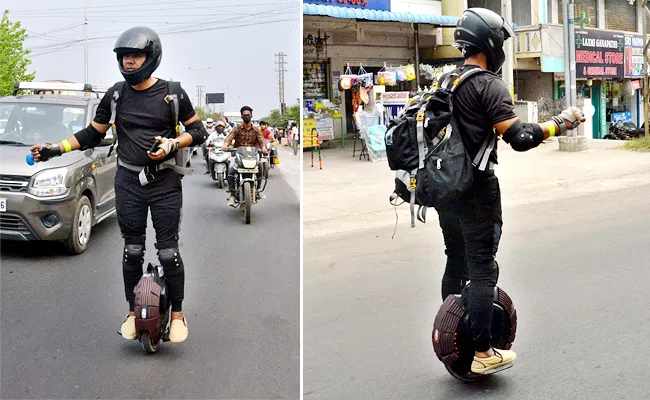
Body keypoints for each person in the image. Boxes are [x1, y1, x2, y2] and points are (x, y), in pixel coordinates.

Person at [29, 26, 208, 344]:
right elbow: (91, 134)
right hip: (127, 181)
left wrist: (171, 144)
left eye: (135, 56)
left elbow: (198, 132)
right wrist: (55, 149)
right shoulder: (115, 95)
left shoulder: (173, 94)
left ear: (151, 57)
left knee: (168, 253)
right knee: (132, 250)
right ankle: (131, 312)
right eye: (124, 57)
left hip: (164, 181)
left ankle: (178, 314)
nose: (128, 62)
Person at [437, 8, 585, 375]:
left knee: (455, 260)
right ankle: (484, 352)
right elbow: (519, 137)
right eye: (500, 41)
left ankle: (453, 328)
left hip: (444, 189)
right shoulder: (487, 84)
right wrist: (559, 123)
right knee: (483, 267)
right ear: (490, 43)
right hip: (474, 190)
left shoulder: (446, 80)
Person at [221, 106, 267, 206]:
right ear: (242, 116)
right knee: (231, 170)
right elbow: (229, 138)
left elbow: (261, 140)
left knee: (260, 165)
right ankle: (233, 195)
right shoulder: (237, 129)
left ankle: (258, 189)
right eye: (244, 115)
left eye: (248, 115)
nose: (246, 117)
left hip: (253, 156)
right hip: (238, 156)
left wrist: (263, 148)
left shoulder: (256, 130)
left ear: (251, 116)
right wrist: (225, 145)